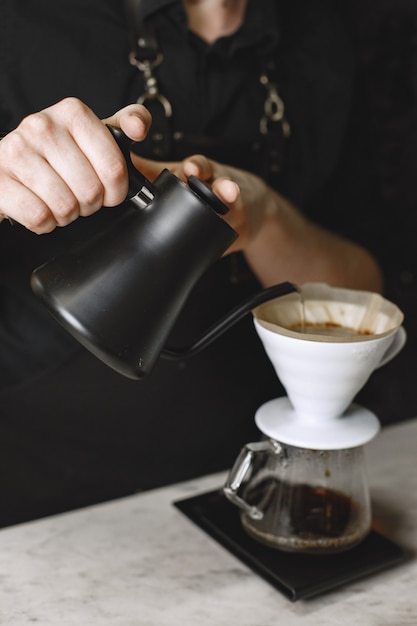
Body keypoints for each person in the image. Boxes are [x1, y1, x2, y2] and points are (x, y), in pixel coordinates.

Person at [0, 0, 385, 527]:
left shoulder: (327, 36)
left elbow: (367, 300)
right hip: (41, 484)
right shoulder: (27, 22)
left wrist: (267, 218)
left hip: (243, 481)